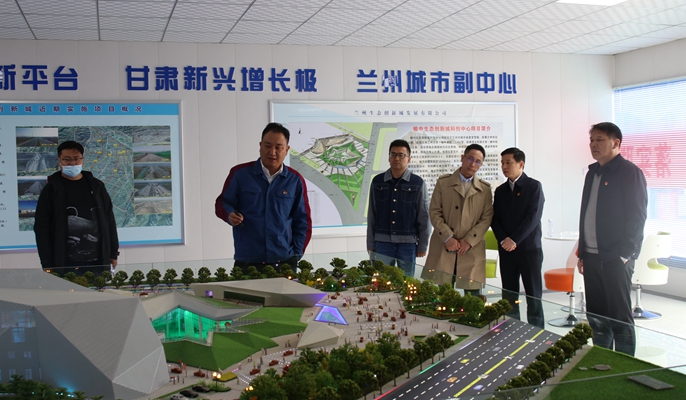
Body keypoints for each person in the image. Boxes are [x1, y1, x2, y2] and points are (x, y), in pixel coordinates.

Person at [577, 122, 647, 356]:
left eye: (599, 140)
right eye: (591, 140)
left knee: (619, 316)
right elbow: (586, 214)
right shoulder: (592, 172)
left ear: (616, 143)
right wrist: (583, 252)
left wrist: (626, 254)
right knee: (596, 315)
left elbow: (637, 216)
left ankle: (625, 363)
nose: (593, 145)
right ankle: (601, 358)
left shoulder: (629, 172)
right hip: (592, 256)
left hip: (616, 257)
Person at [215, 122, 312, 272]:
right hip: (247, 260)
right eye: (267, 146)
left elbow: (303, 221)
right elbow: (222, 203)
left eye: (278, 147)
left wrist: (296, 255)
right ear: (260, 146)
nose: (272, 152)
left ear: (287, 150)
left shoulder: (295, 180)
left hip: (283, 261)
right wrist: (229, 215)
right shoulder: (240, 174)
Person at [34, 140, 119, 275]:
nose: (72, 163)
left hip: (97, 261)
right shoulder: (51, 189)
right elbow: (41, 227)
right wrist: (47, 263)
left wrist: (113, 253)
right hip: (65, 263)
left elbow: (109, 221)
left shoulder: (97, 186)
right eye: (67, 159)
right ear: (59, 161)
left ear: (82, 160)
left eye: (76, 159)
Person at [424, 144, 493, 293]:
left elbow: (486, 218)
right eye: (470, 159)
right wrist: (448, 237)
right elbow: (434, 212)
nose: (473, 164)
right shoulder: (443, 183)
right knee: (443, 295)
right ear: (462, 158)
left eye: (478, 161)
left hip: (471, 248)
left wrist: (469, 240)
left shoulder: (485, 189)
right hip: (444, 245)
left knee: (472, 296)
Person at [491, 147, 545, 328]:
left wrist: (514, 239)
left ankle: (537, 333)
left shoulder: (534, 186)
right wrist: (503, 240)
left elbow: (533, 218)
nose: (504, 167)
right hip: (506, 250)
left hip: (529, 250)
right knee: (509, 295)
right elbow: (495, 219)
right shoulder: (500, 190)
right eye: (502, 163)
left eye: (509, 163)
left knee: (533, 295)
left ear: (521, 164)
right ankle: (511, 330)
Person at [367, 139, 430, 277]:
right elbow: (372, 214)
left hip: (408, 244)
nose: (397, 158)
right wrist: (370, 243)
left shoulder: (417, 183)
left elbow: (424, 216)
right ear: (389, 158)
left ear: (409, 159)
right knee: (382, 281)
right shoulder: (378, 181)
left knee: (407, 282)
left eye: (401, 155)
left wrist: (423, 245)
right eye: (393, 154)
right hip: (382, 242)